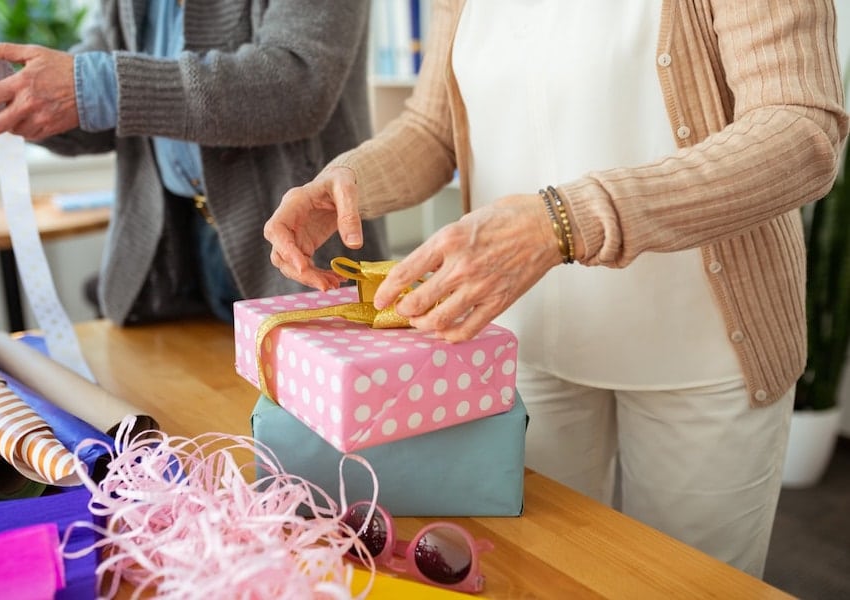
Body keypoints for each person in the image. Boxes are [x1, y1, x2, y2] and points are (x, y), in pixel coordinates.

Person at [264, 0, 849, 578]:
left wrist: (561, 222)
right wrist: (348, 181)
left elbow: (799, 130)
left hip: (705, 347)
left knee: (687, 585)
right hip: (520, 338)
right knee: (538, 576)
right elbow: (432, 127)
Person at [0, 0, 388, 325]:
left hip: (294, 250)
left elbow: (297, 83)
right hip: (175, 255)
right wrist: (19, 93)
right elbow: (106, 108)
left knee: (295, 436)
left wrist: (91, 85)